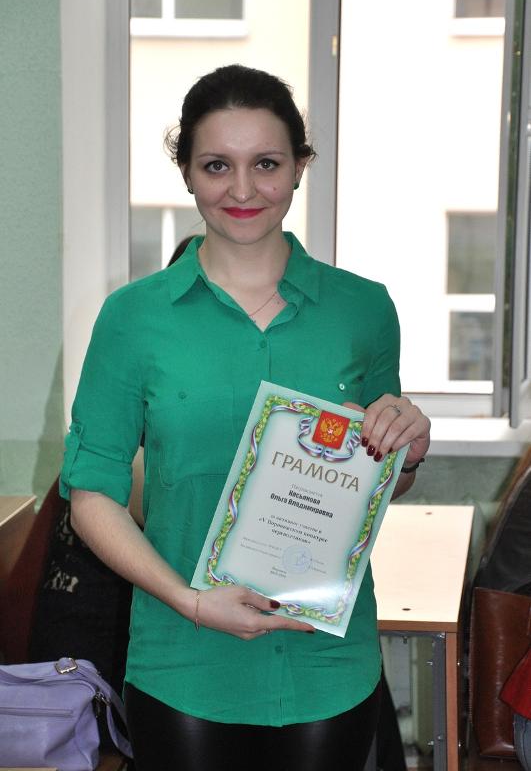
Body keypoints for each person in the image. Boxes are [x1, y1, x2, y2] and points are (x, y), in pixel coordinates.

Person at [60, 64, 431, 771]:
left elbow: (381, 482)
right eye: (216, 166)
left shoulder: (363, 309)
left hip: (326, 659)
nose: (241, 190)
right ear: (186, 173)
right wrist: (192, 602)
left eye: (265, 164)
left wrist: (405, 450)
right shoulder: (133, 318)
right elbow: (91, 496)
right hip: (183, 656)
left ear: (299, 167)